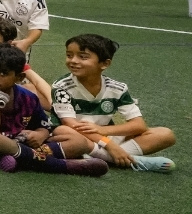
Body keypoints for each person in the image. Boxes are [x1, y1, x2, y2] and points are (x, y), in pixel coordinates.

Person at [0, 43, 108, 176]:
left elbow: (44, 126)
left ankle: (21, 158)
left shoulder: (28, 97)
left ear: (19, 77)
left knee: (79, 142)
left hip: (21, 143)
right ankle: (60, 165)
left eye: (2, 73)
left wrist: (40, 134)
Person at [51, 34, 176, 172]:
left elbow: (139, 125)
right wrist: (110, 146)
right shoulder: (62, 87)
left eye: (83, 57)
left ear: (105, 64)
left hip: (104, 138)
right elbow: (71, 124)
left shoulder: (117, 88)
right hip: (79, 138)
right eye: (69, 55)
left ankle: (104, 158)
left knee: (165, 134)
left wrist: (103, 131)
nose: (73, 61)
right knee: (65, 131)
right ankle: (131, 160)